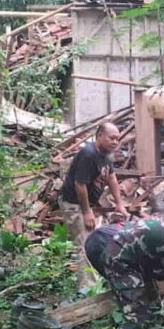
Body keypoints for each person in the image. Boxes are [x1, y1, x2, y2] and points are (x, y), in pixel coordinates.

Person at [59, 122, 128, 286]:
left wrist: (119, 204)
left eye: (117, 139)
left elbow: (111, 177)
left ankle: (98, 280)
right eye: (111, 138)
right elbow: (80, 184)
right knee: (85, 244)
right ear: (99, 136)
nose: (115, 142)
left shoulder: (107, 154)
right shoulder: (88, 154)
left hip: (89, 204)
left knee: (97, 240)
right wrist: (87, 212)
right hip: (74, 204)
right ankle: (87, 288)